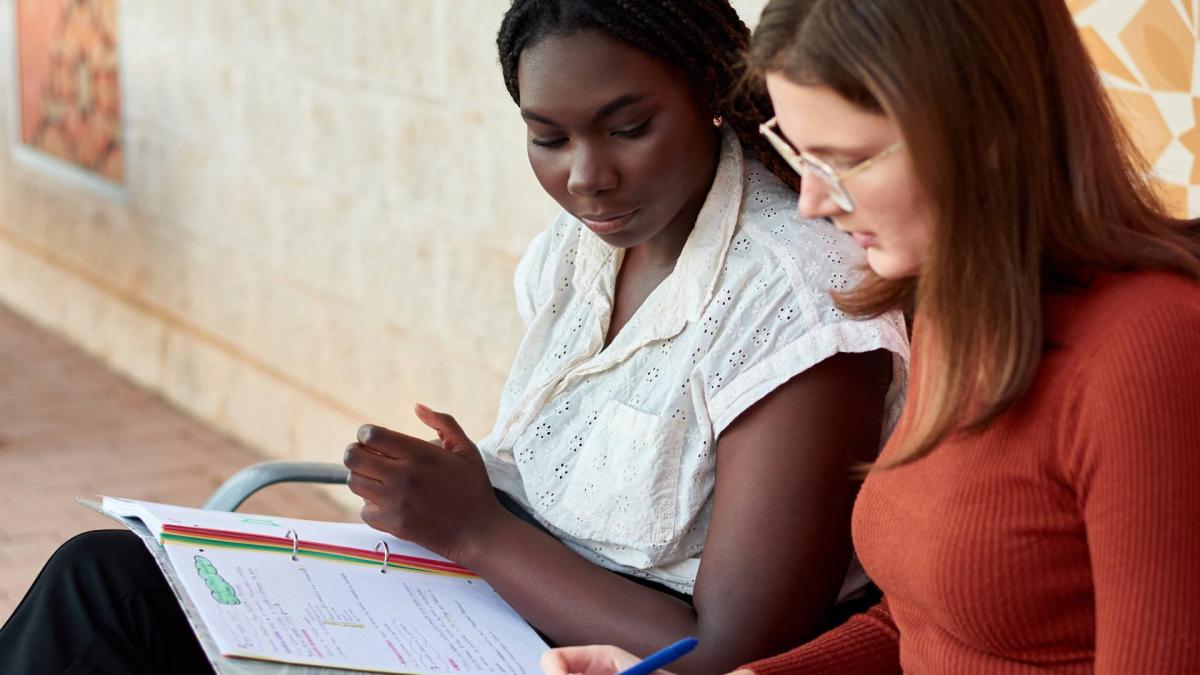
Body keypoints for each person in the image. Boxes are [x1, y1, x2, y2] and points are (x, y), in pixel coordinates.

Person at [0, 1, 908, 673]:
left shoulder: (797, 296)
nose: (587, 177)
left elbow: (737, 649)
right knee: (106, 579)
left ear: (711, 92)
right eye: (547, 137)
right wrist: (443, 507)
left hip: (584, 646)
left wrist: (473, 526)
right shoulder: (584, 249)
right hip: (480, 603)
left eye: (628, 128)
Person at [542, 0, 1200, 673]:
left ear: (986, 132)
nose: (813, 202)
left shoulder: (1150, 351)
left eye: (846, 162)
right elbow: (921, 619)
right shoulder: (950, 298)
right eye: (799, 155)